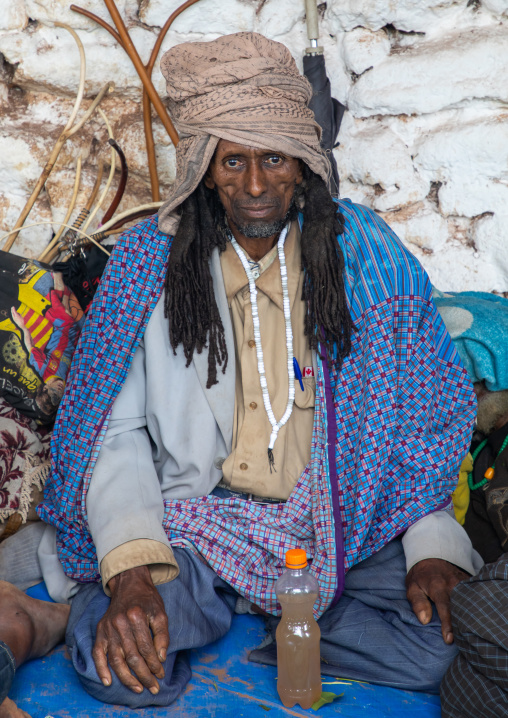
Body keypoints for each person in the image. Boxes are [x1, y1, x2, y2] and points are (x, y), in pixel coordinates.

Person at [0, 32, 481, 709]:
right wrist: (135, 573)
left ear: (304, 164)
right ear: (202, 167)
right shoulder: (148, 267)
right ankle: (256, 618)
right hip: (194, 523)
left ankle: (266, 621)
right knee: (117, 664)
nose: (255, 185)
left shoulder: (369, 257)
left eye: (274, 158)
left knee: (447, 646)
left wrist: (432, 548)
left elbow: (424, 420)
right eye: (232, 161)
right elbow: (115, 432)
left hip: (346, 524)